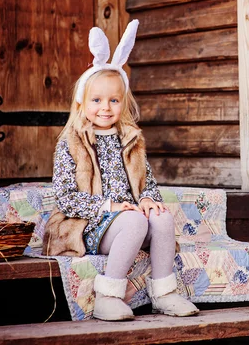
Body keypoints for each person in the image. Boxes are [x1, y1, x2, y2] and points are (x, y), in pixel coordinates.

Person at [50, 20, 199, 321]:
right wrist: (110, 206)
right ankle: (108, 296)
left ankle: (164, 293)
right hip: (88, 226)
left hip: (129, 219)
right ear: (82, 103)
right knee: (133, 221)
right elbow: (66, 198)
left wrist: (147, 200)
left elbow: (148, 183)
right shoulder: (71, 143)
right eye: (96, 100)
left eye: (113, 100)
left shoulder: (131, 139)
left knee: (160, 216)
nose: (105, 107)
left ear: (123, 102)